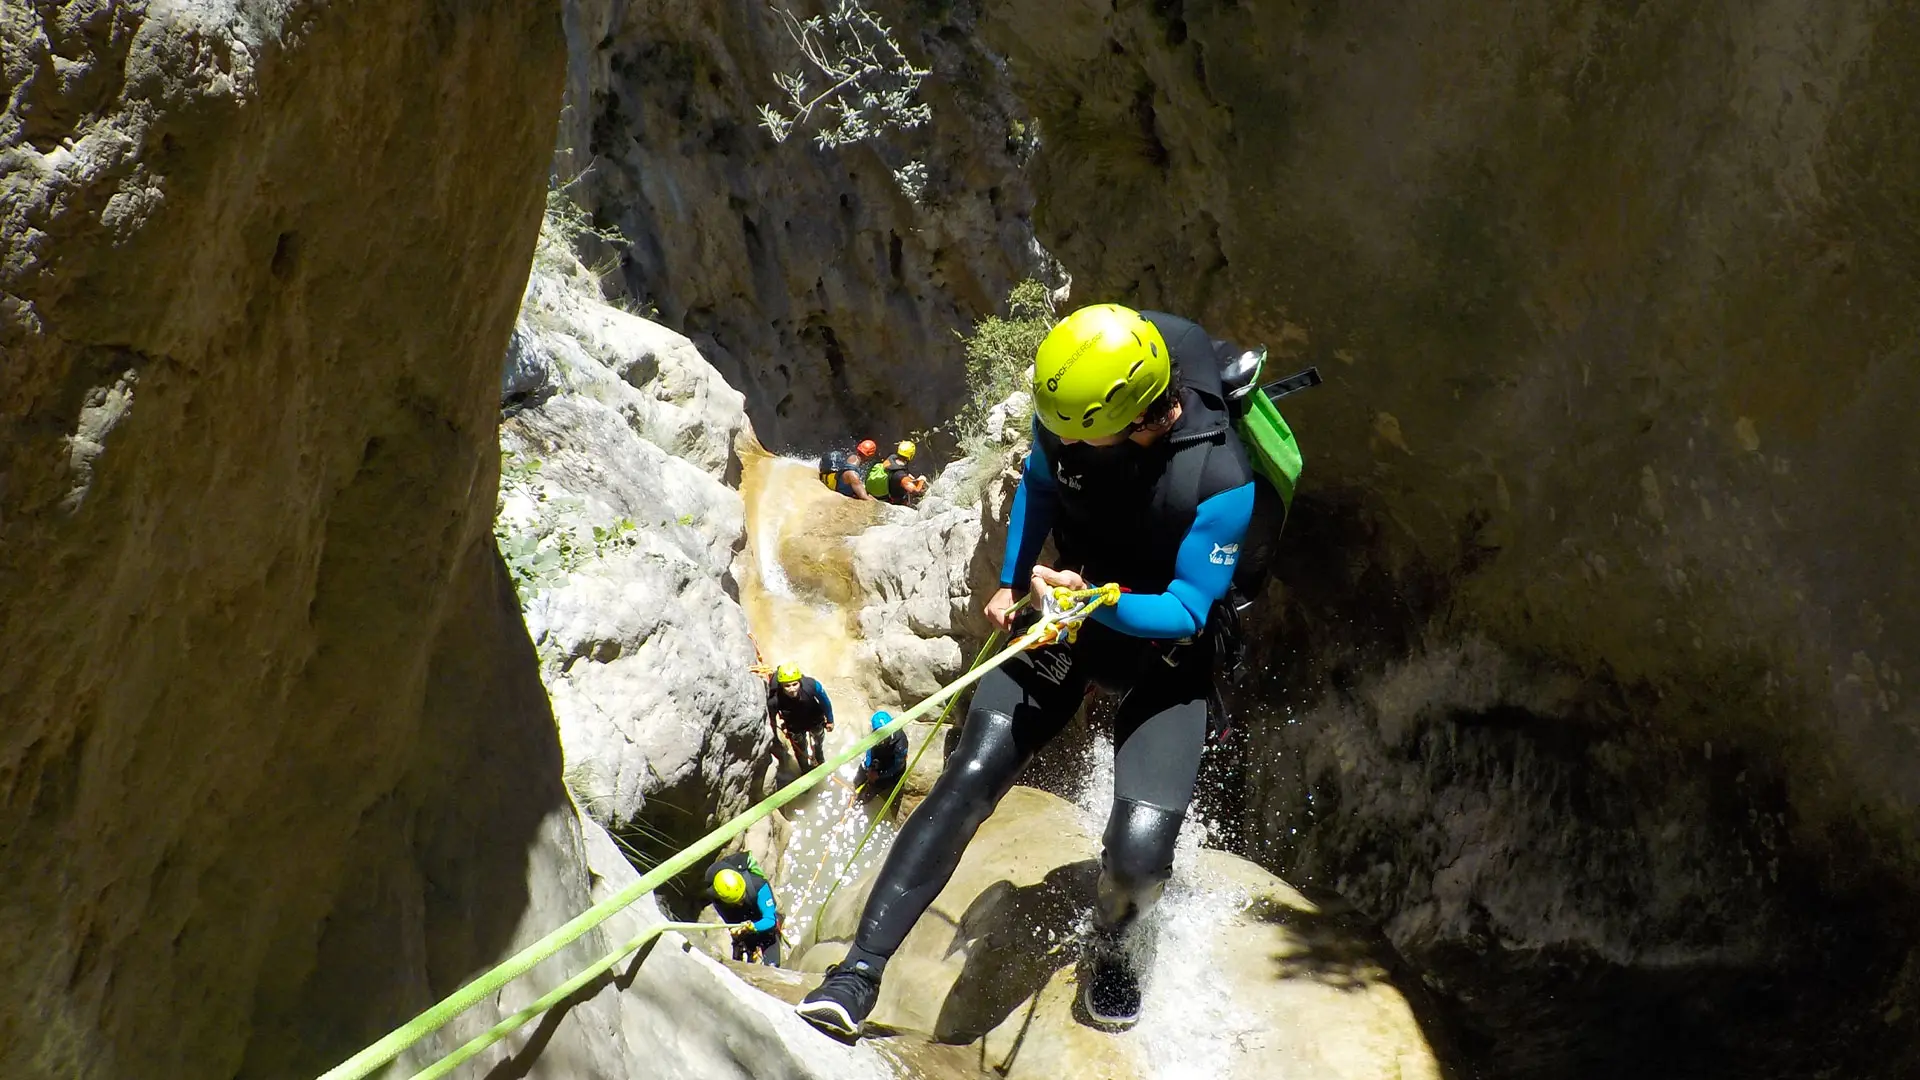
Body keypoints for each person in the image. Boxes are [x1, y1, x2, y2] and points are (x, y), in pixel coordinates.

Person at [796, 303, 1258, 1036]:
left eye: (1078, 429)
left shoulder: (1221, 475)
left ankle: (1114, 946)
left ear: (1134, 412)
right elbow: (1041, 487)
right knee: (968, 777)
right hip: (1063, 616)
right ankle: (854, 975)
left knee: (1139, 853)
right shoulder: (1072, 415)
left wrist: (1095, 603)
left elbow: (1190, 610)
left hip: (1161, 648)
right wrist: (1014, 582)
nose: (1062, 437)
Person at [706, 852, 783, 966]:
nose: (741, 903)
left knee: (769, 939)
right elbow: (729, 919)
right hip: (732, 911)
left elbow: (769, 919)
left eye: (742, 898)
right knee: (742, 938)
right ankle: (747, 946)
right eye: (738, 901)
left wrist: (752, 926)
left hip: (757, 909)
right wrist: (737, 930)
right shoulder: (717, 895)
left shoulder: (758, 885)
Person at [767, 662, 835, 771]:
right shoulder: (774, 700)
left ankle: (819, 755)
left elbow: (825, 701)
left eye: (795, 684)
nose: (792, 689)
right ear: (781, 685)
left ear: (800, 682)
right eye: (787, 686)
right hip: (795, 726)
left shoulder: (811, 685)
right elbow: (772, 721)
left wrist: (830, 720)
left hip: (815, 719)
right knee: (800, 751)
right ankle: (805, 769)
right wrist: (775, 739)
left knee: (818, 740)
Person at [857, 710, 909, 799]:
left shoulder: (900, 745)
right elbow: (870, 749)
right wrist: (868, 767)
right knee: (859, 777)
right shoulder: (876, 735)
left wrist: (879, 775)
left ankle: (862, 799)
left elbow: (897, 766)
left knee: (869, 793)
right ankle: (856, 787)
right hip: (877, 760)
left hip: (890, 767)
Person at [865, 441, 921, 506]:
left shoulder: (890, 459)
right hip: (888, 499)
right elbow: (916, 491)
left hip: (875, 491)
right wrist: (922, 480)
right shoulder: (901, 476)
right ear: (911, 455)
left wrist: (907, 476)